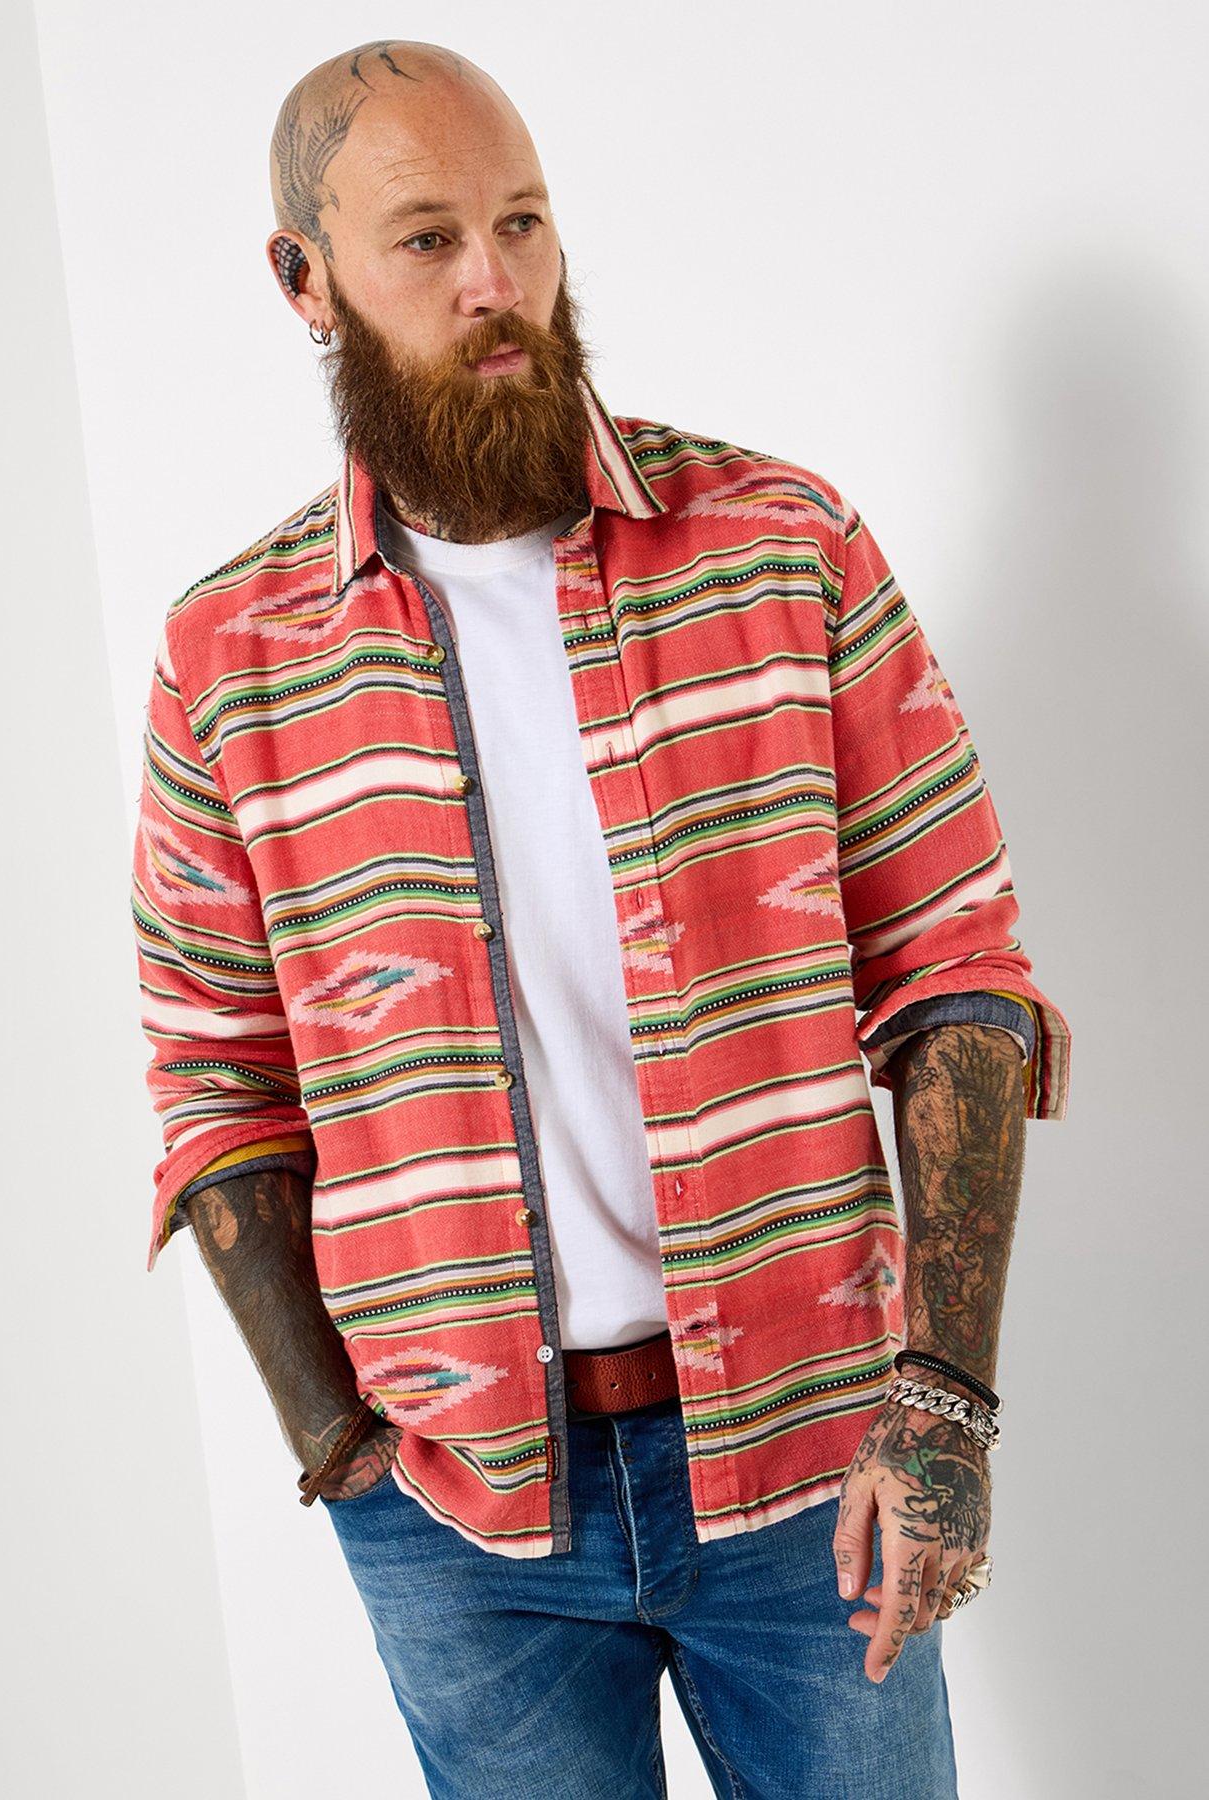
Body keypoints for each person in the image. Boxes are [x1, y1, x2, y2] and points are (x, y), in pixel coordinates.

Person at [130, 38, 1071, 1798]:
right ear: (303, 281)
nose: (497, 282)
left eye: (522, 221)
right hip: (459, 1520)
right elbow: (215, 1079)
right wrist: (340, 1453)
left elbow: (957, 971)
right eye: (428, 239)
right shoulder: (228, 660)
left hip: (813, 1464)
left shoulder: (784, 551)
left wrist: (943, 1401)